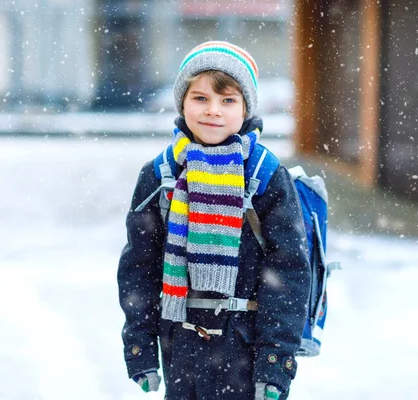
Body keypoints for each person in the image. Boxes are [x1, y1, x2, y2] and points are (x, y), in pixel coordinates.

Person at [117, 40, 310, 400]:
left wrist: (274, 361)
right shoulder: (162, 174)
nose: (213, 111)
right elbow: (138, 268)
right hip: (180, 344)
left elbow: (289, 272)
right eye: (200, 98)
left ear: (246, 107)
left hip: (247, 345)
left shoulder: (265, 175)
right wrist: (140, 347)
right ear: (183, 102)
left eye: (228, 100)